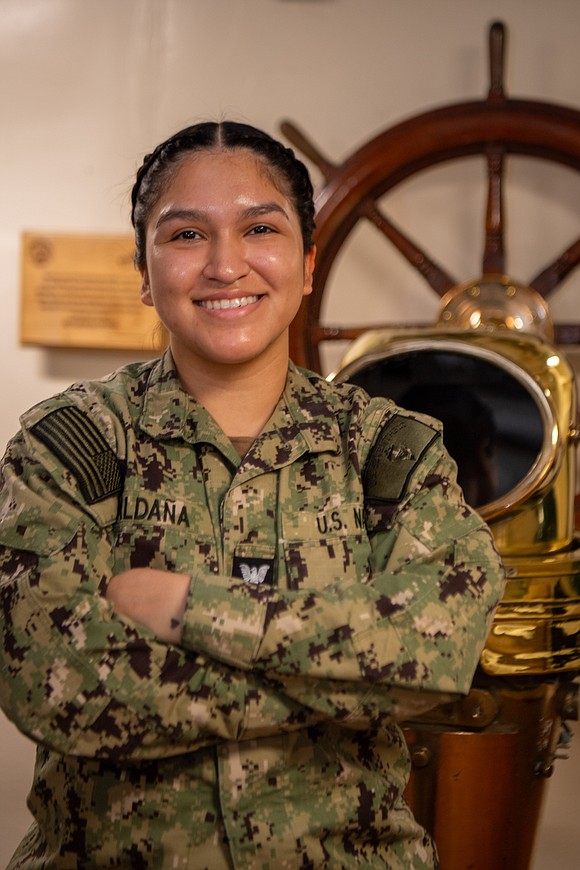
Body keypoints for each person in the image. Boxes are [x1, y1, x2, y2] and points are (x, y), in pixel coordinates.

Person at [0, 121, 505, 869]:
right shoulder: (70, 449)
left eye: (259, 227)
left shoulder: (389, 452)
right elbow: (56, 684)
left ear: (305, 266)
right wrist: (348, 680)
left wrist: (184, 608)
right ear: (144, 272)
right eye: (186, 235)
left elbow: (443, 650)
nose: (226, 265)